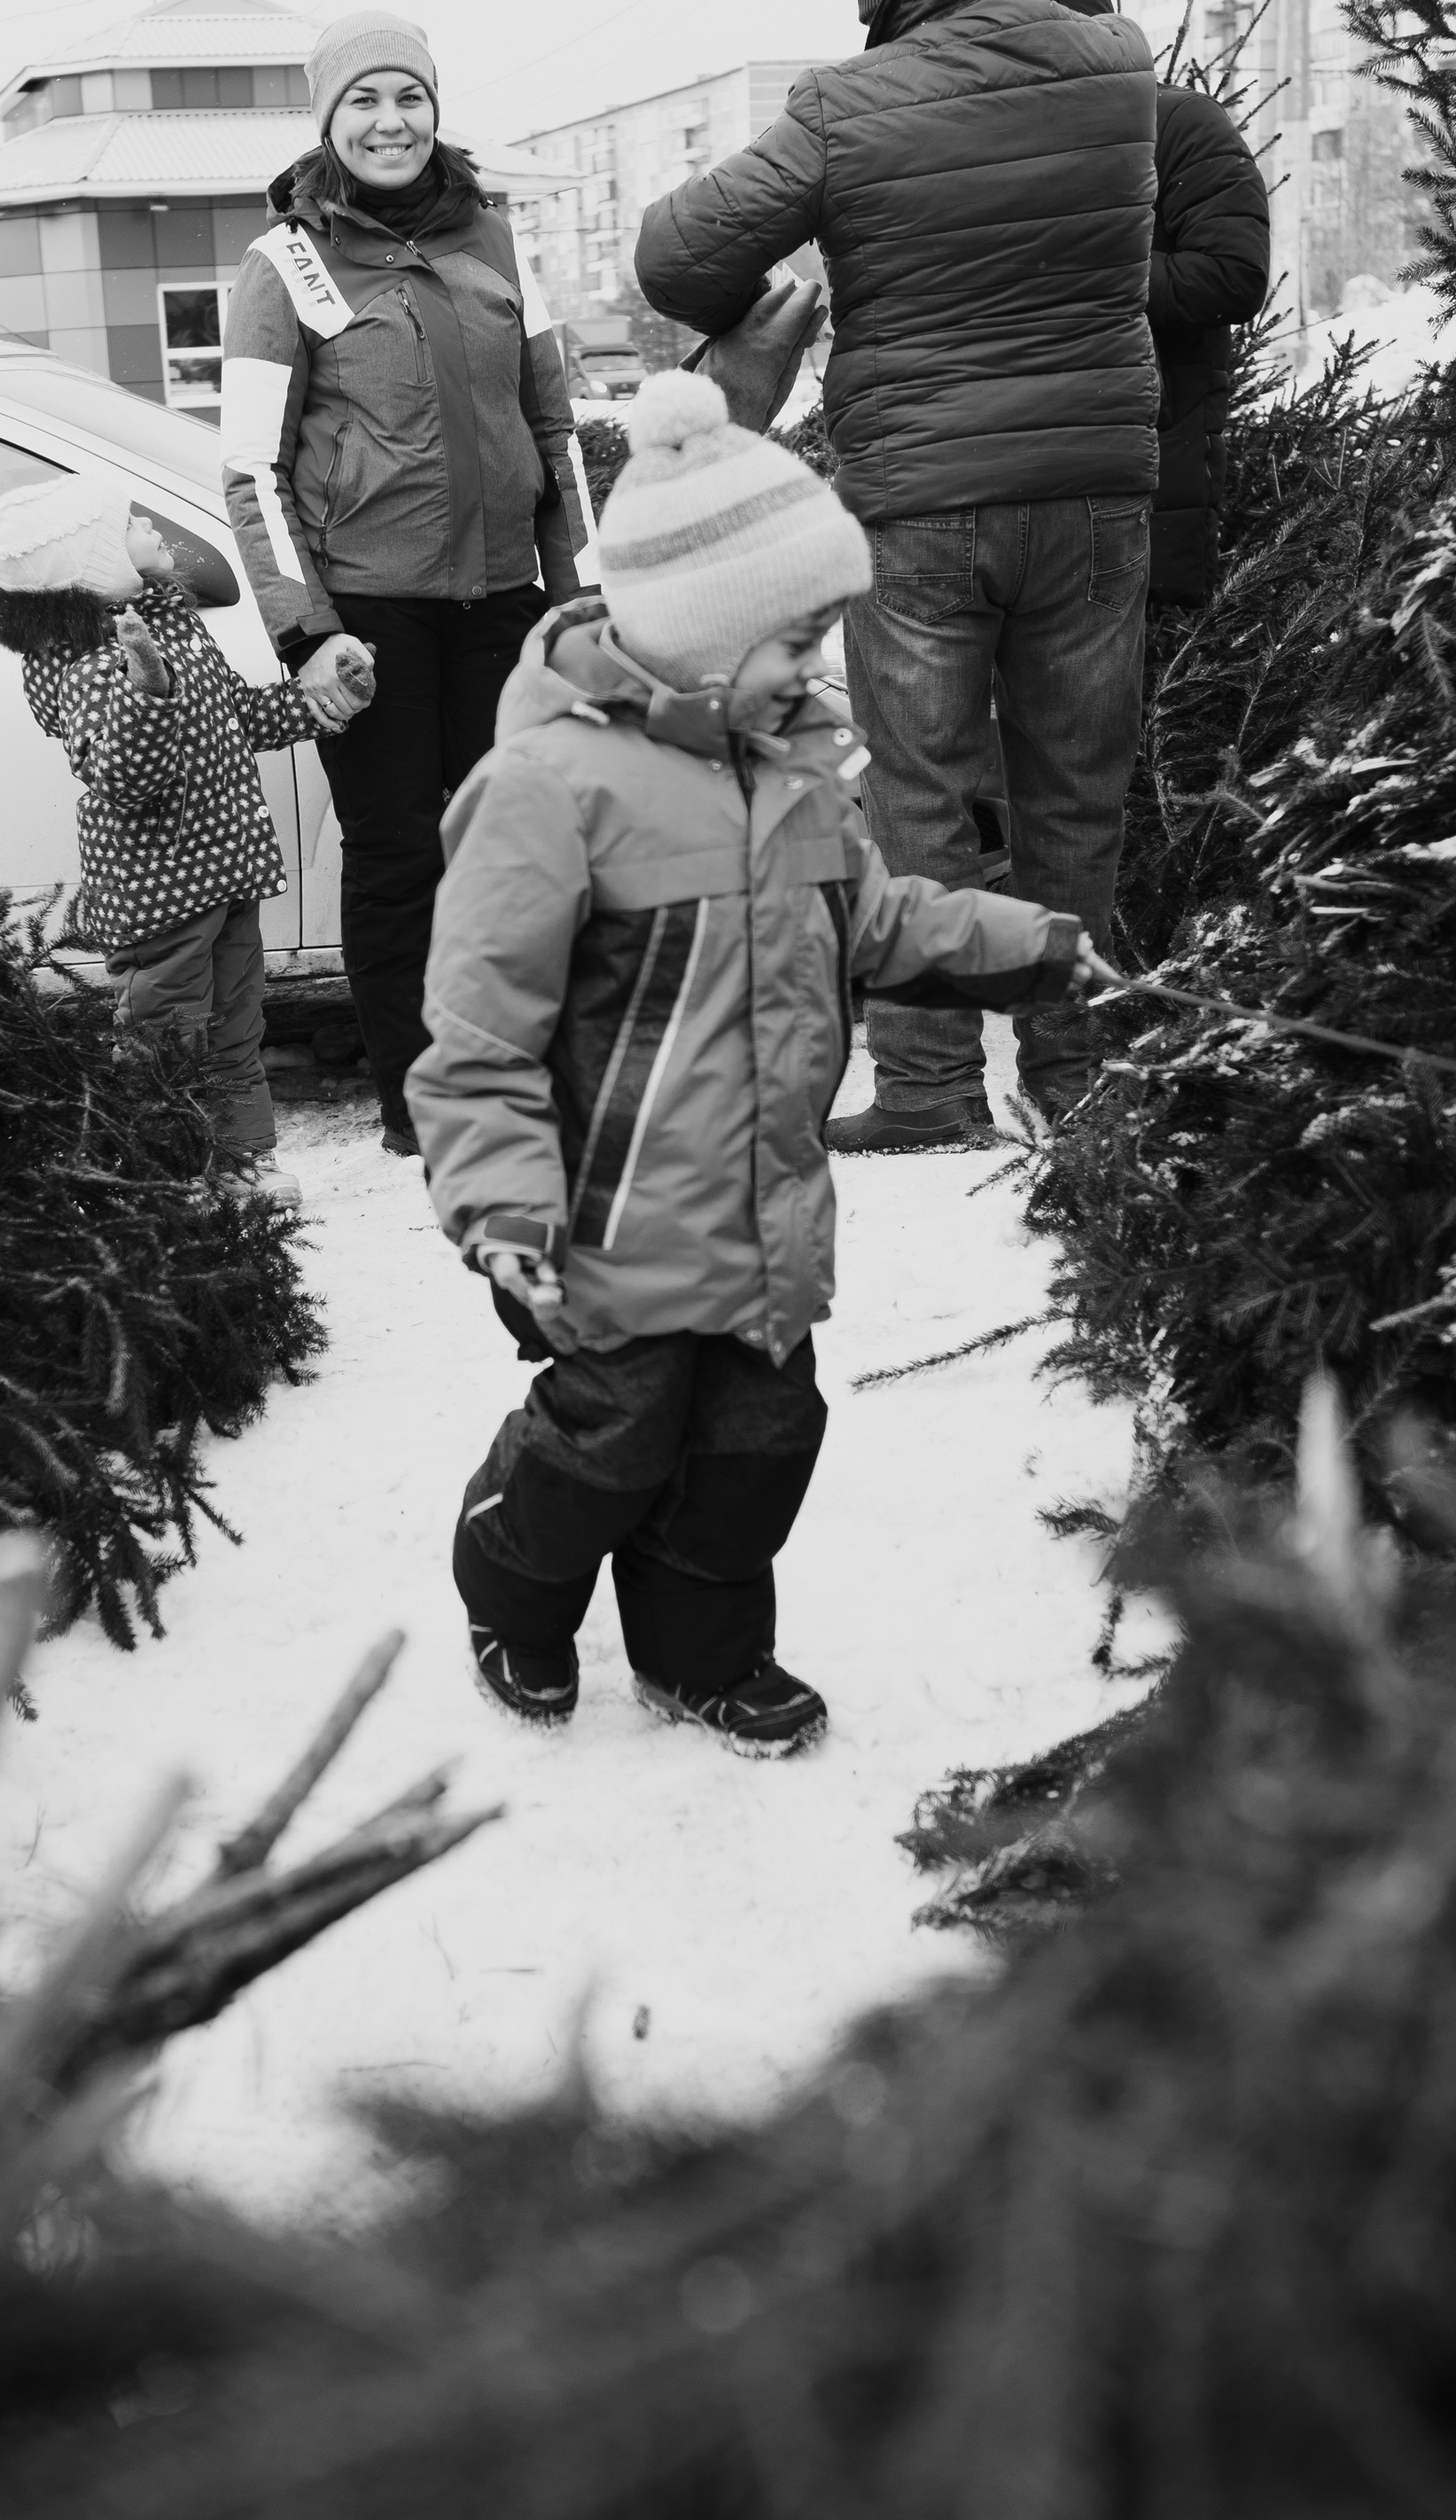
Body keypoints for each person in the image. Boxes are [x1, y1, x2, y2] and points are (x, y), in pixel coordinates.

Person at [406, 373, 1109, 1756]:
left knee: (755, 1450)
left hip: (767, 1213)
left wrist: (1037, 943)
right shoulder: (550, 790)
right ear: (699, 633)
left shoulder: (791, 776)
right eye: (793, 636)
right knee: (607, 1441)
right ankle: (514, 1588)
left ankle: (702, 1653)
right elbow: (479, 1038)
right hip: (604, 1225)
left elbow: (877, 919)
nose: (813, 663)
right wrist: (502, 1210)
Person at [633, 0, 1160, 1150]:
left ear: (888, 1)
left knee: (920, 796)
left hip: (922, 506)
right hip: (1092, 491)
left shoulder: (846, 104)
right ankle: (1072, 1071)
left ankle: (930, 1086)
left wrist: (790, 273)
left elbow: (671, 257)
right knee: (1077, 794)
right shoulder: (1118, 64)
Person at [220, 10, 595, 1155]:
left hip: (503, 605)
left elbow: (555, 434)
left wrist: (580, 602)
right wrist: (307, 634)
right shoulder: (283, 263)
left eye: (410, 97)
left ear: (435, 108)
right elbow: (250, 471)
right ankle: (421, 1104)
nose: (391, 121)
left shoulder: (501, 245)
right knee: (399, 862)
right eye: (364, 101)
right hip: (370, 618)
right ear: (328, 119)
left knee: (516, 853)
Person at [0, 471, 360, 1208]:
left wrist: (320, 701)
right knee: (167, 1033)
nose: (153, 528)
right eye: (130, 524)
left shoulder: (168, 621)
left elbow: (234, 718)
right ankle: (166, 1168)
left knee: (236, 1024)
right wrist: (150, 693)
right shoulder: (86, 659)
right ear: (93, 560)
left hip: (227, 868)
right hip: (161, 891)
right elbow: (125, 777)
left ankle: (243, 1160)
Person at [1042, 0, 1272, 606]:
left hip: (1153, 464)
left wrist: (1081, 275)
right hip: (1035, 470)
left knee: (1140, 653)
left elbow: (1233, 274)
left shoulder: (1177, 123)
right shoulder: (1015, 144)